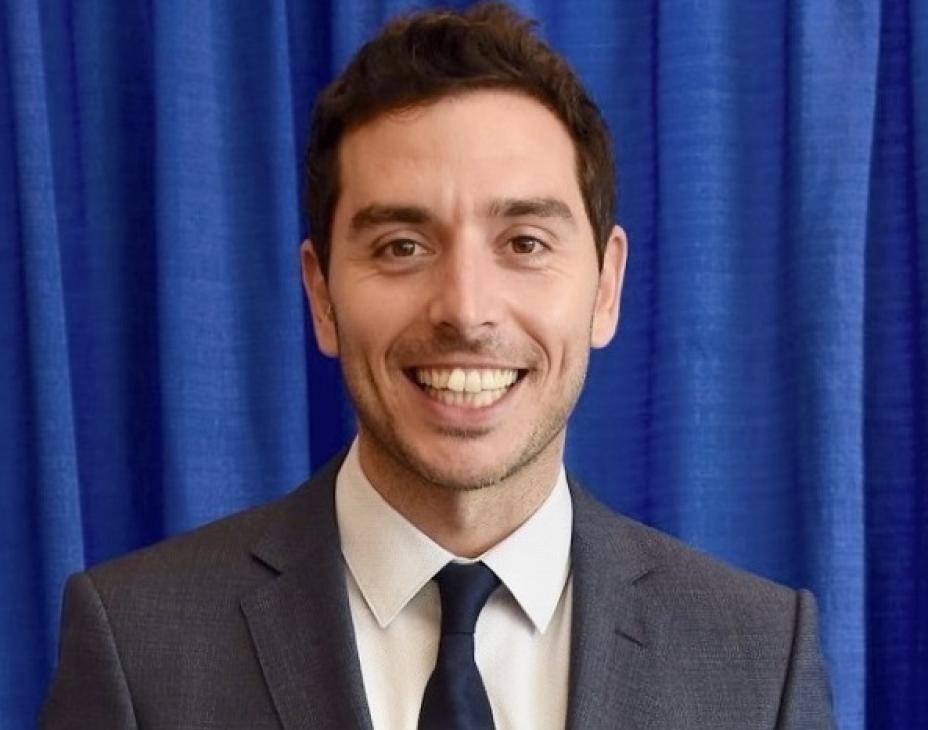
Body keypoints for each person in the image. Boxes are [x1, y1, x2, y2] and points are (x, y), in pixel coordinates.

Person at [40, 3, 835, 728]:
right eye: (401, 247)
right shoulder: (138, 649)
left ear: (606, 288)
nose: (464, 307)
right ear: (322, 295)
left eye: (524, 243)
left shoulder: (761, 662)